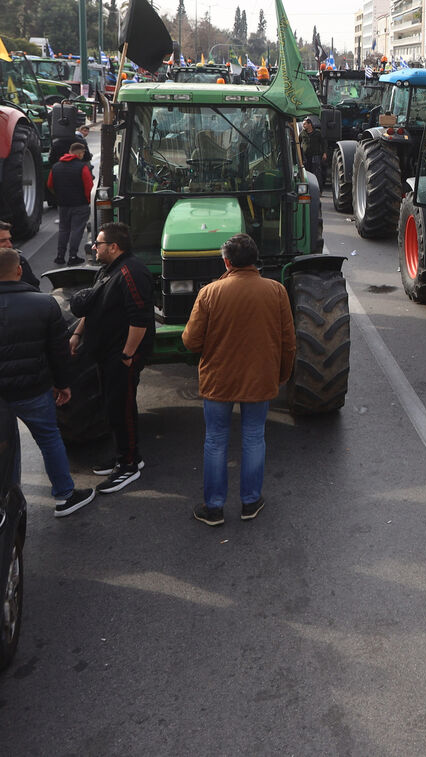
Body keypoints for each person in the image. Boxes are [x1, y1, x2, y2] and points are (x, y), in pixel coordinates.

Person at [182, 234, 295, 526]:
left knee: (215, 440)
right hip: (260, 377)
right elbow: (288, 341)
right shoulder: (277, 291)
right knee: (254, 437)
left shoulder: (209, 293)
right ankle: (250, 502)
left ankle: (214, 508)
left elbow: (191, 341)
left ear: (226, 261)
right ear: (255, 260)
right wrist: (281, 374)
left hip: (218, 380)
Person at [0, 248, 96, 517]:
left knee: (5, 446)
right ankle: (65, 496)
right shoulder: (43, 304)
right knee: (49, 439)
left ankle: (8, 503)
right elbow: (59, 352)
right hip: (34, 390)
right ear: (19, 270)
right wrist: (63, 383)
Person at [70, 222, 154, 494]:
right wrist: (77, 334)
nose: (94, 247)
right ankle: (125, 454)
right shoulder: (108, 269)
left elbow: (139, 320)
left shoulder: (132, 273)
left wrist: (127, 355)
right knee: (112, 406)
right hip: (106, 353)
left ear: (114, 247)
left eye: (99, 243)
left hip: (121, 356)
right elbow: (93, 304)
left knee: (122, 407)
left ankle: (129, 465)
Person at [46, 142, 94, 266]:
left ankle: (60, 256)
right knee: (76, 230)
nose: (83, 155)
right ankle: (73, 256)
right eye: (83, 153)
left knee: (63, 230)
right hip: (80, 204)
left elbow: (50, 185)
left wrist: (59, 196)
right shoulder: (82, 167)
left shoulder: (56, 167)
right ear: (79, 153)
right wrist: (88, 200)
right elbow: (89, 186)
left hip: (63, 204)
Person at [0, 221, 41, 289]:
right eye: (2, 241)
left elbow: (34, 286)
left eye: (9, 239)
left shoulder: (19, 261)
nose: (9, 245)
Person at [299, 117, 324, 189]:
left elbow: (323, 143)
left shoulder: (317, 133)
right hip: (306, 157)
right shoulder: (302, 133)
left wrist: (324, 153)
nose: (303, 126)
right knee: (307, 173)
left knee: (317, 173)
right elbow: (298, 142)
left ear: (310, 124)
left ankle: (319, 189)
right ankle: (308, 189)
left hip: (315, 155)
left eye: (305, 124)